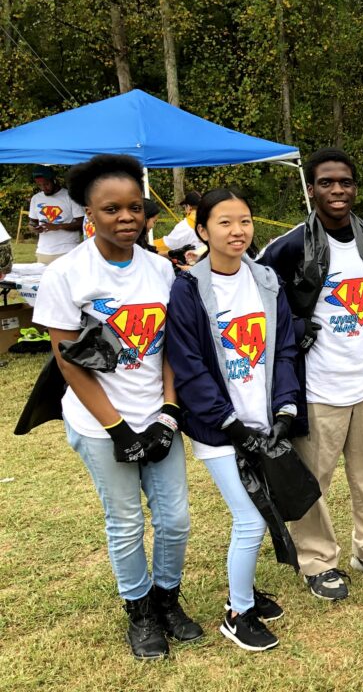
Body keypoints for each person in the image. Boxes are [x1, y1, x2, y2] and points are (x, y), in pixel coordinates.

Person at [32, 154, 199, 660]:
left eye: (134, 207)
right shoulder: (67, 274)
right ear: (88, 212)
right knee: (125, 522)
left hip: (156, 418)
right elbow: (68, 362)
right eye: (111, 209)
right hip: (101, 423)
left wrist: (168, 413)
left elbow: (173, 344)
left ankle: (168, 599)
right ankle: (141, 611)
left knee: (175, 519)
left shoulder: (162, 270)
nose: (125, 217)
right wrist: (118, 429)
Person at [258, 147, 363, 600]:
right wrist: (293, 328)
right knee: (312, 480)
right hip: (317, 385)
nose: (337, 190)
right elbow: (259, 303)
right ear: (311, 189)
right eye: (327, 182)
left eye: (345, 182)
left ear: (355, 188)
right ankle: (318, 561)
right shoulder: (285, 247)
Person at [166, 189, 299, 652]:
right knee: (249, 519)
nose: (237, 231)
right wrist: (230, 424)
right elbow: (188, 366)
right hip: (217, 428)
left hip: (262, 421)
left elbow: (282, 349)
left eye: (244, 221)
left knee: (263, 507)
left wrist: (284, 409)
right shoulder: (187, 289)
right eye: (224, 223)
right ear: (202, 231)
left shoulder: (265, 278)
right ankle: (237, 612)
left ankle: (247, 593)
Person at [27, 165, 85, 264]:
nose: (43, 188)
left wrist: (57, 226)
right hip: (43, 251)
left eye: (46, 184)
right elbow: (32, 222)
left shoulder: (70, 196)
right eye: (39, 185)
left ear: (54, 180)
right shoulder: (36, 198)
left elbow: (81, 223)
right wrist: (33, 228)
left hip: (67, 251)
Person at [156, 191, 203, 255]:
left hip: (191, 262)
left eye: (185, 207)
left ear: (189, 207)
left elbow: (167, 245)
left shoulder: (185, 226)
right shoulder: (211, 221)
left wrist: (148, 244)